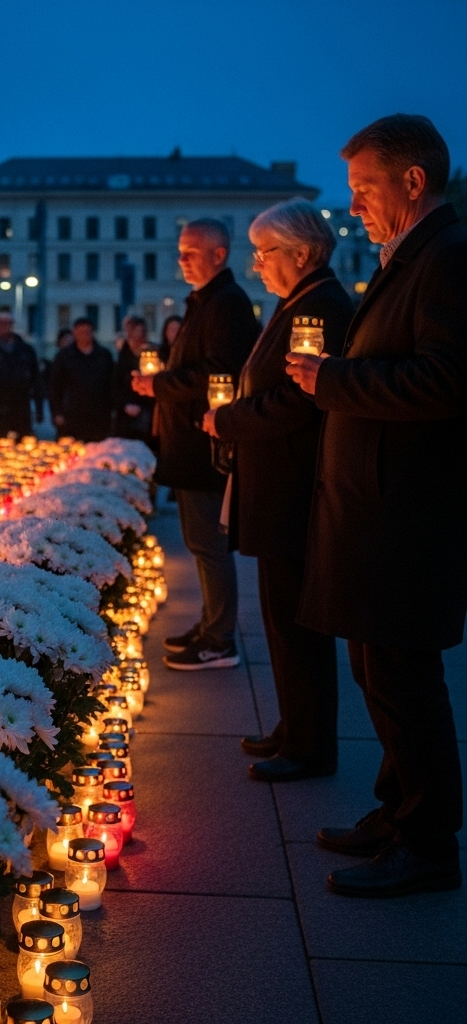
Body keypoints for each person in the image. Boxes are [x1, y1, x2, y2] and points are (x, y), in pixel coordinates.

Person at [286, 115, 465, 898]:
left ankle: (427, 846)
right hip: (378, 513)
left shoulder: (448, 260)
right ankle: (395, 813)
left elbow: (443, 382)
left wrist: (333, 381)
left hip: (406, 518)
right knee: (378, 671)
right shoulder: (412, 257)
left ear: (413, 181)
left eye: (364, 188)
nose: (352, 204)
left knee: (404, 681)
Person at [202, 199, 353, 783]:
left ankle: (311, 744)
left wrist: (231, 420)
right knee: (281, 618)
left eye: (265, 252)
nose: (257, 264)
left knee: (298, 622)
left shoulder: (320, 307)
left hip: (293, 490)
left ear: (302, 253)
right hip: (276, 486)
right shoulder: (297, 303)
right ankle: (295, 727)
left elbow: (300, 399)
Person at [132, 218, 259, 670]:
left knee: (207, 542)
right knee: (199, 539)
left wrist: (161, 385)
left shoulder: (226, 303)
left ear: (219, 254)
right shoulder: (207, 301)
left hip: (204, 443)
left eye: (190, 251)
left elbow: (219, 370)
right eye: (180, 251)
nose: (181, 259)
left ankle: (220, 638)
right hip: (191, 440)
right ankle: (210, 624)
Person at [48, 317, 116, 441]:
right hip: (72, 415)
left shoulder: (103, 355)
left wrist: (113, 410)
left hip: (98, 415)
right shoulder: (64, 356)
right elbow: (55, 386)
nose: (84, 336)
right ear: (74, 333)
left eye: (87, 332)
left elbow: (112, 384)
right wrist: (57, 412)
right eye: (81, 332)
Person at [0, 310, 39, 440]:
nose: (4, 326)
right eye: (0, 323)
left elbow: (36, 379)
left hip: (20, 407)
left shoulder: (25, 350)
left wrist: (39, 408)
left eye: (7, 323)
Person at [115, 316, 155, 443]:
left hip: (147, 409)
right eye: (135, 331)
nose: (139, 335)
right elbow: (115, 384)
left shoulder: (152, 353)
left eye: (142, 331)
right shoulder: (123, 356)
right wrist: (125, 404)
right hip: (127, 412)